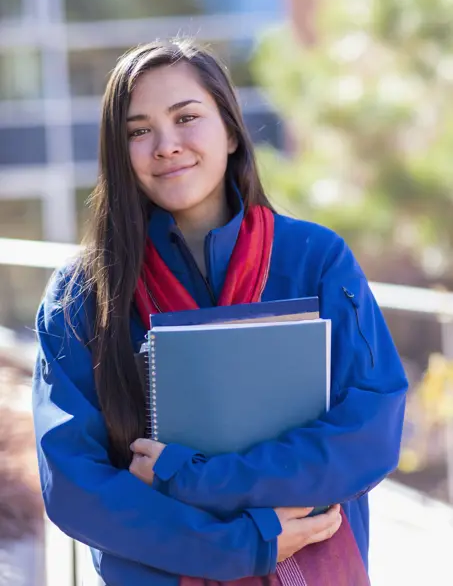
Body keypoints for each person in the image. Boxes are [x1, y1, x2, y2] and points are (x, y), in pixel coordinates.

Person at [32, 39, 408, 586]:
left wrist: (193, 478)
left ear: (231, 132)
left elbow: (369, 431)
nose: (165, 145)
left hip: (314, 559)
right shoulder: (81, 293)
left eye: (187, 117)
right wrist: (240, 544)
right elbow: (72, 483)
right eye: (138, 130)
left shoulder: (315, 259)